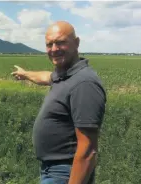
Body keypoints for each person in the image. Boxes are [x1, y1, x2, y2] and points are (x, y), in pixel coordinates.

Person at [11, 21, 106, 184]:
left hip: (65, 172)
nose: (54, 49)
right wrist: (25, 74)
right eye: (49, 44)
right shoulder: (64, 76)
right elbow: (45, 76)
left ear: (76, 43)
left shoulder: (84, 83)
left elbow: (88, 151)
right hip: (53, 171)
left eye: (60, 42)